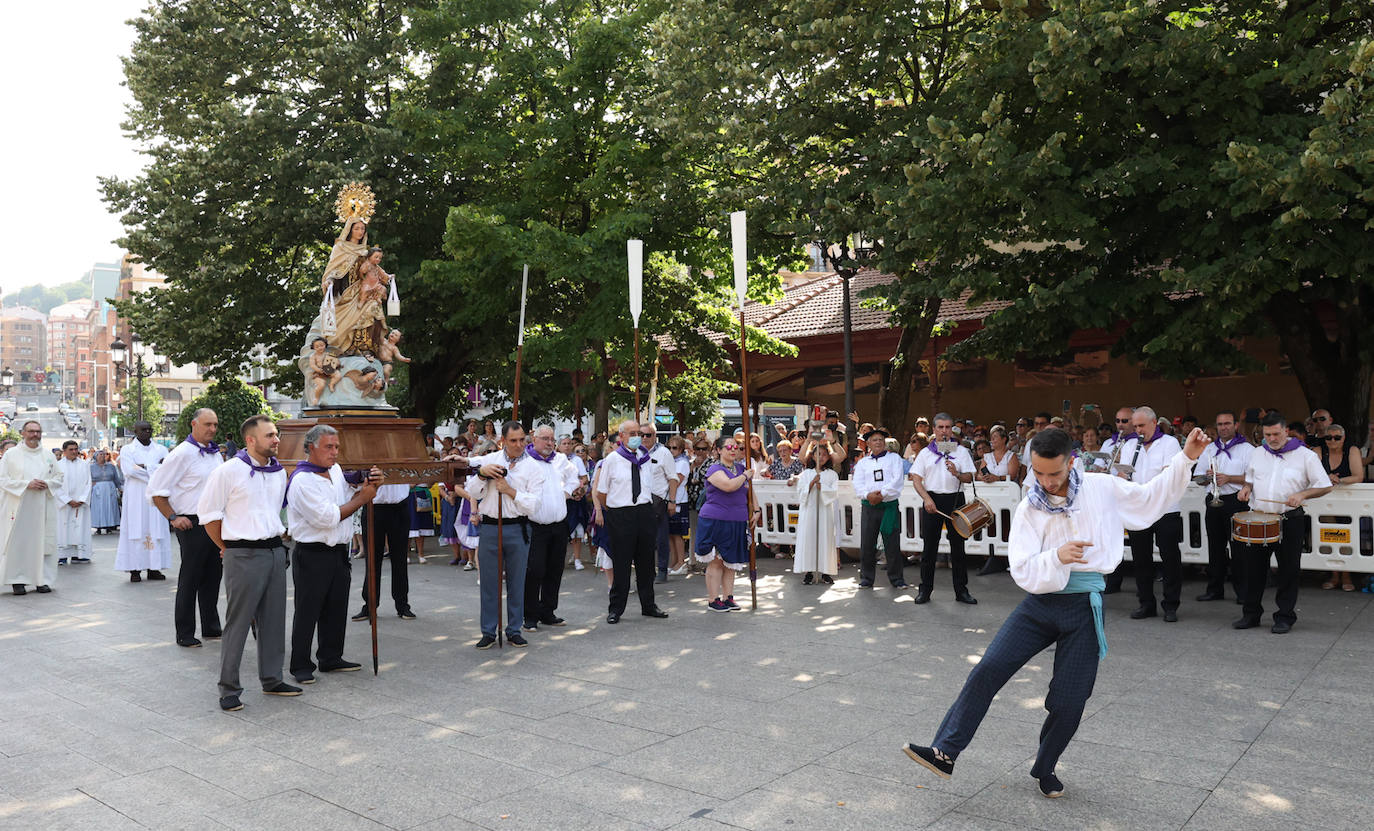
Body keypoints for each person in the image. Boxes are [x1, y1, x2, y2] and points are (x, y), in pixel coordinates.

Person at [903, 426, 1209, 799]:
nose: (1046, 482)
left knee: (1069, 701)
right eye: (1039, 473)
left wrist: (1186, 458)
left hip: (1084, 607)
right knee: (988, 669)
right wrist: (1057, 557)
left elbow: (1150, 499)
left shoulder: (1102, 487)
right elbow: (1021, 568)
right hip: (1039, 605)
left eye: (1055, 473)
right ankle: (945, 752)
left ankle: (1045, 766)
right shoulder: (1030, 506)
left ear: (1072, 462)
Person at [197, 415, 300, 711]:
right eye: (270, 435)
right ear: (250, 440)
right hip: (242, 553)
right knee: (238, 622)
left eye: (276, 434)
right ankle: (228, 688)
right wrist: (228, 548)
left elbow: (273, 513)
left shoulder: (278, 472)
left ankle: (272, 678)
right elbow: (209, 515)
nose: (276, 440)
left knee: (274, 620)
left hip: (274, 551)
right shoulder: (228, 471)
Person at [284, 424, 381, 684]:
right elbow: (328, 518)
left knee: (336, 607)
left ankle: (330, 656)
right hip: (312, 552)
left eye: (337, 446)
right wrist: (363, 498)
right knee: (308, 611)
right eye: (329, 447)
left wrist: (368, 484)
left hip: (339, 550)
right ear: (311, 447)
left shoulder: (335, 471)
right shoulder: (302, 480)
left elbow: (346, 495)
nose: (335, 452)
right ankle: (300, 664)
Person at [1236, 412, 1333, 633]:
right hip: (1259, 518)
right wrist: (1246, 489)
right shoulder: (1258, 453)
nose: (1271, 439)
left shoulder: (1305, 455)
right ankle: (1250, 615)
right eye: (1267, 434)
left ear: (1286, 431)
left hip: (1290, 519)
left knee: (1288, 571)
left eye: (1276, 434)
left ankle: (1284, 617)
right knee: (1253, 570)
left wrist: (1303, 494)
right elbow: (1250, 480)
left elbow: (1325, 485)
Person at [149, 409, 226, 648]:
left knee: (213, 576)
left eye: (215, 424)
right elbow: (156, 490)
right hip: (192, 522)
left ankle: (211, 626)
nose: (212, 429)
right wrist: (173, 517)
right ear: (194, 424)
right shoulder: (181, 453)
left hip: (215, 521)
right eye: (207, 424)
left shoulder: (214, 452)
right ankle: (184, 632)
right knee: (190, 578)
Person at [465, 421, 544, 648]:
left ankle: (514, 629)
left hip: (518, 528)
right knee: (489, 582)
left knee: (517, 581)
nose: (519, 445)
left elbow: (534, 505)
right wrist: (482, 475)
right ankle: (489, 631)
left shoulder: (533, 467)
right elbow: (472, 492)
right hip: (490, 527)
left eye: (522, 440)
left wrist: (510, 491)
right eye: (513, 440)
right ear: (503, 440)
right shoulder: (490, 460)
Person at [593, 420, 671, 625]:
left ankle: (649, 605)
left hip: (644, 512)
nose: (638, 437)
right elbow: (602, 492)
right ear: (621, 436)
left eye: (640, 433)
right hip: (621, 513)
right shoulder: (612, 459)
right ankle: (616, 609)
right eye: (632, 433)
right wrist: (614, 511)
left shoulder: (644, 458)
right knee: (622, 563)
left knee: (646, 562)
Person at [1117, 406, 1187, 621]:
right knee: (1141, 558)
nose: (1138, 430)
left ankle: (1171, 605)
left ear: (1154, 423)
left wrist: (1144, 489)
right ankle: (1146, 603)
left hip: (1165, 508)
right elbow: (1124, 473)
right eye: (1135, 426)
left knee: (1170, 557)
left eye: (1141, 425)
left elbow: (1168, 475)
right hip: (1139, 509)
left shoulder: (1169, 443)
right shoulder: (1130, 445)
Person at [910, 415, 978, 604]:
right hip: (932, 499)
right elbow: (916, 479)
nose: (944, 431)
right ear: (934, 429)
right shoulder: (925, 453)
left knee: (958, 548)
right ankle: (925, 590)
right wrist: (927, 499)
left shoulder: (961, 451)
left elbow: (969, 477)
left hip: (955, 499)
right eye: (940, 427)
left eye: (948, 427)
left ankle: (961, 591)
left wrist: (957, 473)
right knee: (929, 548)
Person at [521, 425, 580, 631]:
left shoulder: (560, 459)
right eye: (545, 438)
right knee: (535, 570)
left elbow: (574, 476)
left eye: (552, 439)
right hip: (535, 525)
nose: (549, 443)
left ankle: (548, 611)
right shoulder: (525, 461)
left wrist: (566, 493)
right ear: (534, 439)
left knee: (555, 570)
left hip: (559, 525)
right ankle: (530, 615)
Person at [1193, 411, 1253, 603]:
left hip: (1236, 501)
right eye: (1220, 424)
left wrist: (1229, 478)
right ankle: (1214, 589)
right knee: (1215, 547)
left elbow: (1255, 477)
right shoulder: (1209, 448)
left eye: (1227, 423)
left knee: (1239, 549)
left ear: (1236, 425)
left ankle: (1243, 592)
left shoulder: (1247, 449)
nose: (1223, 427)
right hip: (1214, 500)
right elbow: (1198, 478)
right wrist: (1207, 477)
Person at [0, 421, 62, 595]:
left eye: (38, 431)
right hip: (18, 507)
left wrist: (47, 483)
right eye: (31, 431)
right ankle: (18, 580)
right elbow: (2, 479)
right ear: (23, 433)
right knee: (19, 544)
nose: (35, 435)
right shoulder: (11, 454)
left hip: (43, 506)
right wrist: (26, 484)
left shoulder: (48, 455)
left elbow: (59, 476)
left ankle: (41, 580)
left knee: (42, 543)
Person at [696, 436, 756, 610]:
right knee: (717, 560)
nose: (733, 449)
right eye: (729, 447)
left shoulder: (741, 468)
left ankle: (728, 597)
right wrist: (745, 476)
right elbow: (729, 486)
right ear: (719, 450)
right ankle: (713, 599)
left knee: (731, 562)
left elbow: (750, 492)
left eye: (736, 447)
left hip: (737, 520)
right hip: (716, 519)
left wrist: (757, 509)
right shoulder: (714, 469)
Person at [352, 478, 417, 622]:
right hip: (373, 506)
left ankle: (402, 605)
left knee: (400, 559)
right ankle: (370, 605)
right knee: (372, 560)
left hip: (399, 506)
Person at [852, 427, 908, 589]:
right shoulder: (863, 463)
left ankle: (897, 579)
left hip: (888, 506)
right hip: (869, 507)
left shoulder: (894, 458)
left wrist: (882, 494)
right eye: (874, 440)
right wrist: (868, 495)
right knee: (867, 543)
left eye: (881, 440)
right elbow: (858, 483)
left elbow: (897, 480)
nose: (878, 442)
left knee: (892, 543)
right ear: (868, 443)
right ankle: (866, 578)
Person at [116, 421, 171, 582]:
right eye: (143, 429)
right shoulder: (127, 449)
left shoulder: (161, 449)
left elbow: (167, 470)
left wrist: (144, 467)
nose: (147, 432)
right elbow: (129, 470)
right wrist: (154, 468)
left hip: (155, 494)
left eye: (149, 429)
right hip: (136, 495)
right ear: (135, 431)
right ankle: (135, 569)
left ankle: (154, 568)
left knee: (156, 529)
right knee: (135, 529)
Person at [1318, 423, 1363, 592]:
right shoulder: (1318, 451)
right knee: (1328, 535)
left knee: (1346, 536)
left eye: (1337, 437)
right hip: (1324, 501)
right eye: (1328, 437)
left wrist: (1339, 480)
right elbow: (1311, 474)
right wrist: (1326, 478)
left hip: (1348, 501)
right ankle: (1334, 575)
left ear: (1343, 438)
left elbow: (1358, 476)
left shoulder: (1352, 450)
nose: (1332, 441)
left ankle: (1346, 575)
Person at [792, 442, 839, 585]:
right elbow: (800, 492)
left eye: (824, 454)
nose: (821, 457)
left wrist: (822, 487)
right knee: (809, 539)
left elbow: (834, 492)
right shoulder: (806, 474)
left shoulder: (832, 474)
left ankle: (826, 571)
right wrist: (811, 483)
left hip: (824, 511)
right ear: (812, 456)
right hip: (809, 510)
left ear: (828, 457)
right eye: (818, 454)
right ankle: (808, 572)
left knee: (825, 539)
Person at [639, 424, 681, 583]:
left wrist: (672, 501)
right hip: (639, 500)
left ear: (655, 436)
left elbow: (673, 478)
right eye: (641, 435)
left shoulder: (664, 453)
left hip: (658, 500)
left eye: (648, 435)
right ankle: (646, 571)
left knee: (661, 538)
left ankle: (662, 570)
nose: (644, 438)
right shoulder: (635, 453)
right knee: (642, 539)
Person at [54, 441, 92, 566]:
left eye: (76, 449)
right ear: (64, 451)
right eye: (71, 449)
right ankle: (62, 556)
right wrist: (67, 500)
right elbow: (55, 485)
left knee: (80, 528)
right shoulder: (57, 465)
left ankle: (79, 555)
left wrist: (82, 499)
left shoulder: (84, 464)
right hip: (64, 504)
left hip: (80, 504)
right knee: (63, 529)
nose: (74, 452)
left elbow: (88, 483)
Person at [667, 435, 692, 575]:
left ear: (681, 449)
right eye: (669, 447)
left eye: (674, 448)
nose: (671, 450)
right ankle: (674, 561)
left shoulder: (682, 462)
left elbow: (675, 482)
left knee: (677, 534)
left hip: (678, 500)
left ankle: (681, 562)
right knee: (670, 533)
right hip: (670, 498)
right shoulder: (671, 461)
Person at [89, 449, 123, 534]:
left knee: (110, 507)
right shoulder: (91, 467)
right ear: (96, 456)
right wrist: (91, 484)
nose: (102, 456)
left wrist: (119, 488)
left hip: (109, 488)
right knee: (99, 507)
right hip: (98, 489)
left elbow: (116, 478)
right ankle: (98, 526)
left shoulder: (111, 466)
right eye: (100, 455)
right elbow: (87, 478)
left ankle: (109, 526)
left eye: (103, 454)